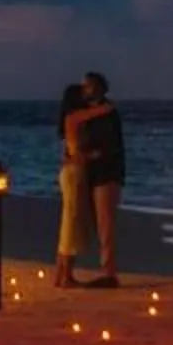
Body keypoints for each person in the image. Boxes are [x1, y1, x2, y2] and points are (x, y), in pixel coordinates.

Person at [76, 69, 124, 287]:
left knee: (105, 224)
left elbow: (111, 146)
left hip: (107, 173)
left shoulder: (108, 113)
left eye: (88, 85)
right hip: (93, 174)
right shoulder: (88, 113)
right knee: (98, 223)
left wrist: (88, 155)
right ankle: (106, 269)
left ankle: (109, 272)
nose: (84, 89)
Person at [53, 82, 100, 287]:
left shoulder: (70, 120)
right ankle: (66, 276)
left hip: (71, 173)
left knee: (69, 222)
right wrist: (94, 155)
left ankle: (61, 275)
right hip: (74, 173)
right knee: (71, 224)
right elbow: (104, 110)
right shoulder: (74, 117)